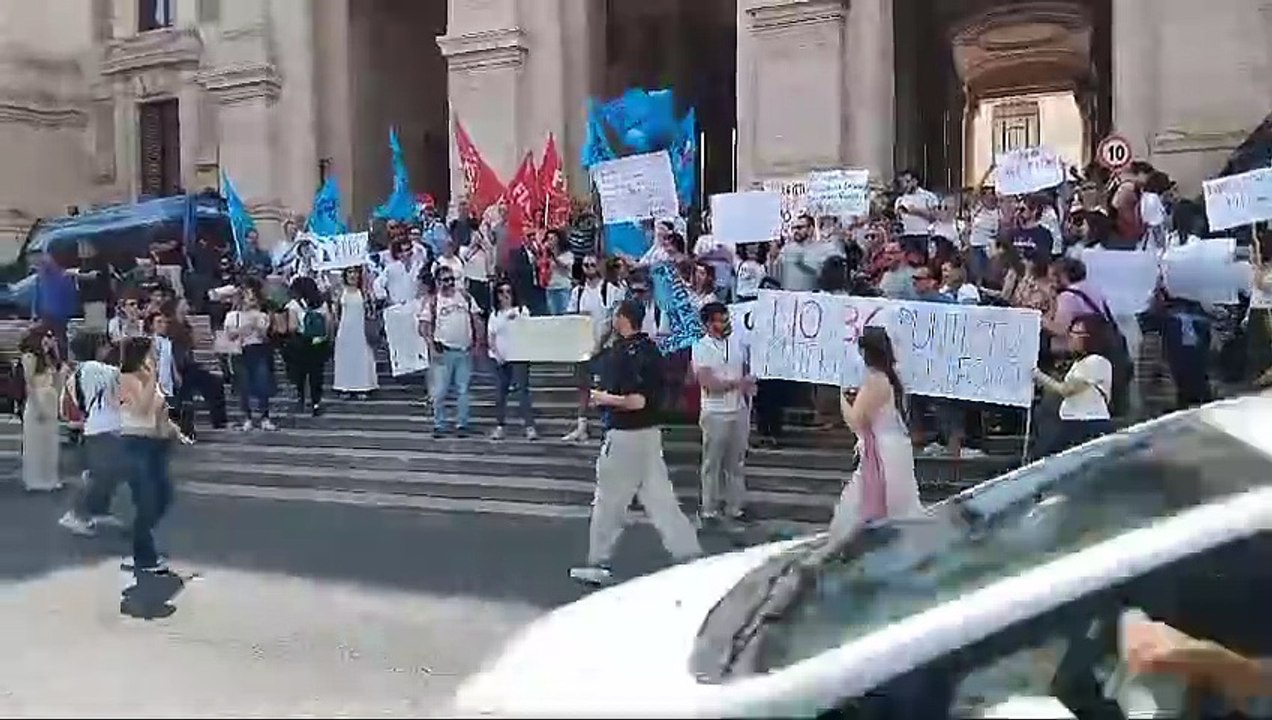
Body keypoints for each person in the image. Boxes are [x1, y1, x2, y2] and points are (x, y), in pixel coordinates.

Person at [570, 300, 702, 586]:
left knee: (608, 503)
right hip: (649, 435)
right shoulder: (651, 350)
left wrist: (603, 398)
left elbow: (637, 401)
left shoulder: (626, 355)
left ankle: (598, 561)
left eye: (614, 315)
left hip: (624, 436)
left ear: (622, 318)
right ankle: (690, 555)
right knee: (661, 500)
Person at [827, 327, 924, 544]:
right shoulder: (892, 377)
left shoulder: (876, 380)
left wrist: (842, 399)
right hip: (894, 448)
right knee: (899, 507)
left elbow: (856, 420)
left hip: (881, 452)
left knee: (862, 507)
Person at [691, 302, 755, 529]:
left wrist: (748, 385)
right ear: (708, 324)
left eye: (726, 318)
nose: (725, 323)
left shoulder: (736, 343)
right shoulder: (701, 347)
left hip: (738, 410)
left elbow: (745, 369)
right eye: (720, 320)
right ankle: (709, 509)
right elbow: (708, 382)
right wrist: (738, 383)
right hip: (715, 413)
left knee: (736, 463)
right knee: (712, 463)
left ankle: (735, 507)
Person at [117, 336, 177, 574]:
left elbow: (159, 409)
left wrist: (170, 429)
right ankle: (144, 555)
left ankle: (139, 535)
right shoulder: (125, 379)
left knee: (164, 495)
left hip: (155, 442)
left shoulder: (149, 378)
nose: (155, 356)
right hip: (135, 443)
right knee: (147, 500)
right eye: (151, 352)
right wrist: (152, 379)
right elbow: (141, 409)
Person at [58, 332, 126, 535]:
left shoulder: (84, 370)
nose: (108, 348)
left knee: (112, 473)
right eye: (104, 345)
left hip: (106, 426)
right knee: (100, 475)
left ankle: (98, 510)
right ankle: (75, 514)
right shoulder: (92, 368)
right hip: (102, 429)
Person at [1033, 314, 1116, 456]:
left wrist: (1038, 375)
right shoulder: (1079, 363)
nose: (1071, 337)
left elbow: (1067, 390)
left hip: (1088, 424)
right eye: (1071, 332)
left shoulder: (1096, 362)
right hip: (1072, 422)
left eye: (1077, 333)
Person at [419, 265, 483, 438]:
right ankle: (439, 423)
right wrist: (431, 347)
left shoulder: (465, 297)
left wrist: (478, 343)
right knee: (440, 391)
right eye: (445, 280)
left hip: (464, 350)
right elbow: (423, 326)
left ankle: (462, 423)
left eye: (451, 279)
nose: (449, 283)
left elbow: (476, 319)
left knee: (463, 390)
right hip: (443, 351)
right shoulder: (433, 302)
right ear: (437, 282)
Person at [562, 254, 621, 442]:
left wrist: (600, 344)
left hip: (605, 347)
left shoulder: (610, 290)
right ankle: (581, 426)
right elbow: (571, 318)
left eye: (592, 264)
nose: (588, 268)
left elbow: (613, 321)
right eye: (586, 265)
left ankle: (609, 427)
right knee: (583, 387)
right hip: (583, 347)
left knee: (605, 389)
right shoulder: (578, 292)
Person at [486, 279, 536, 440]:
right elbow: (491, 336)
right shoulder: (494, 315)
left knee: (523, 391)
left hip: (519, 355)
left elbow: (529, 330)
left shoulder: (522, 310)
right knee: (500, 393)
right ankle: (500, 425)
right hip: (501, 358)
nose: (505, 295)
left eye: (508, 291)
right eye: (501, 292)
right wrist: (497, 354)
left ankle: (529, 426)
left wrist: (518, 319)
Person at [19, 324, 66, 492]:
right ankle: (35, 479)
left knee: (49, 441)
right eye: (47, 336)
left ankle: (50, 477)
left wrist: (57, 356)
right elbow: (29, 384)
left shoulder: (50, 358)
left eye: (51, 337)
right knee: (36, 443)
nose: (50, 340)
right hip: (37, 399)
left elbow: (58, 382)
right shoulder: (30, 357)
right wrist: (37, 407)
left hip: (50, 398)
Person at [223, 282, 275, 430]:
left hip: (258, 349)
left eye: (253, 298)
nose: (250, 301)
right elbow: (229, 335)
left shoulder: (262, 315)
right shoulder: (232, 316)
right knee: (243, 385)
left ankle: (265, 417)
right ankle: (247, 418)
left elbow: (265, 336)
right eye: (247, 297)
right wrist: (243, 328)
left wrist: (257, 325)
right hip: (240, 351)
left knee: (262, 383)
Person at [285, 276, 333, 416]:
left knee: (300, 373)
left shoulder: (294, 305)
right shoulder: (322, 304)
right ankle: (316, 402)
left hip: (301, 342)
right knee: (316, 373)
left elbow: (292, 326)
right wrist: (328, 339)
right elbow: (329, 322)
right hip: (318, 342)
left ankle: (301, 398)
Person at [332, 265, 379, 399]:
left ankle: (363, 386)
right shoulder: (340, 291)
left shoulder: (364, 292)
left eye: (355, 272)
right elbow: (336, 312)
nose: (353, 275)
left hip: (361, 329)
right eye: (350, 272)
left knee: (362, 357)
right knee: (345, 358)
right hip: (345, 329)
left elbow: (372, 311)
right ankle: (345, 387)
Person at [544, 229, 575, 316]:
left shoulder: (567, 254)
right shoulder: (546, 256)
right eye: (548, 238)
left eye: (552, 238)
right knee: (553, 316)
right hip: (550, 288)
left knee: (564, 314)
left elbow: (565, 266)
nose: (550, 241)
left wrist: (554, 256)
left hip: (563, 287)